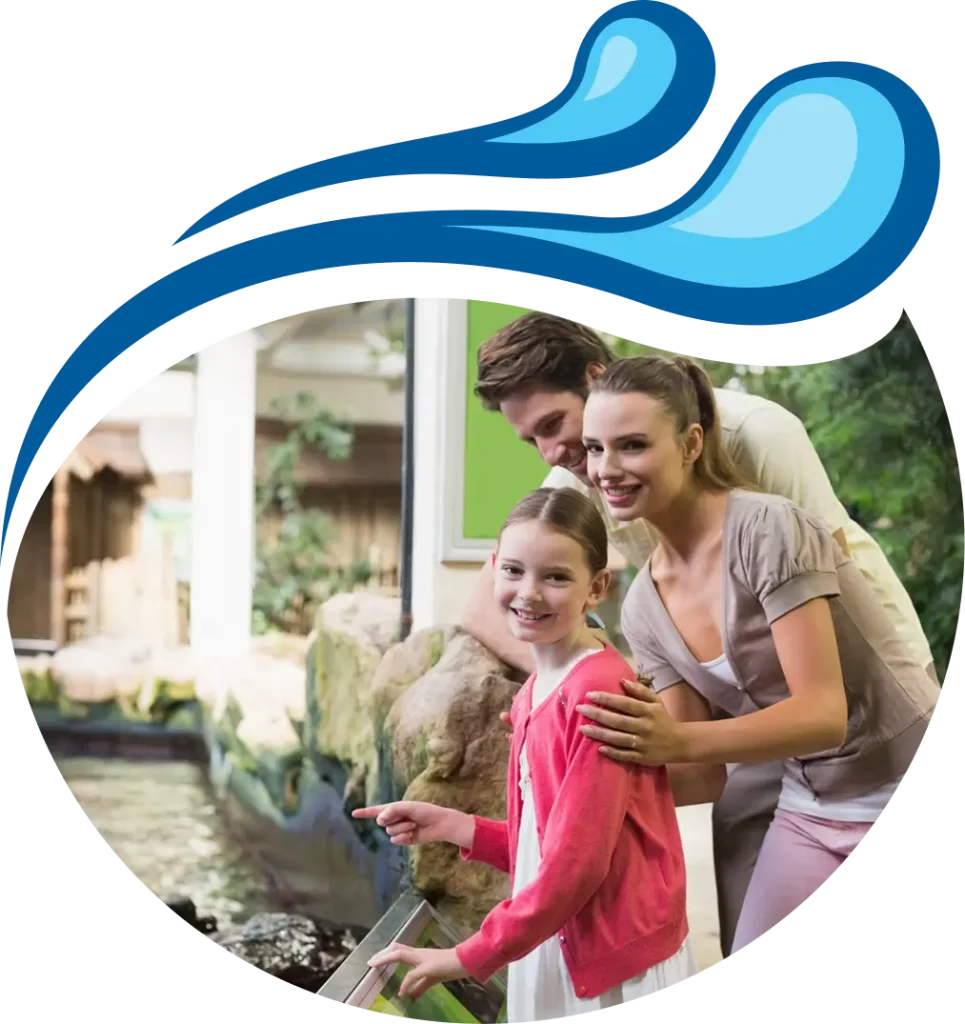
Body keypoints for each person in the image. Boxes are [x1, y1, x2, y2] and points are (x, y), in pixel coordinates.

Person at [464, 311, 936, 957]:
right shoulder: (611, 541)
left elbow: (831, 609)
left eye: (552, 426)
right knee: (737, 842)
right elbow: (690, 767)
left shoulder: (759, 454)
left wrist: (675, 735)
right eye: (533, 441)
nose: (557, 456)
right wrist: (564, 723)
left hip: (863, 701)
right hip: (781, 744)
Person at [353, 488, 697, 1015]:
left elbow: (577, 867)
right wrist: (454, 825)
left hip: (611, 964)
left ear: (596, 587)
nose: (528, 593)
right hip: (560, 938)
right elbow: (548, 841)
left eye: (556, 577)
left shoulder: (595, 694)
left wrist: (468, 956)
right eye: (513, 571)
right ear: (493, 568)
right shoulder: (538, 685)